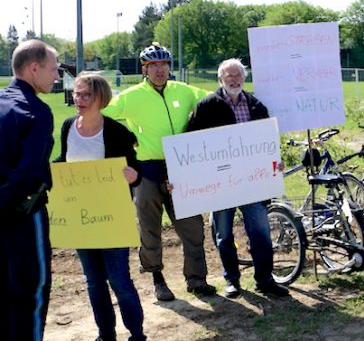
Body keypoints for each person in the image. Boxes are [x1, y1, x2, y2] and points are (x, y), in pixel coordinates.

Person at [102, 43, 213, 301]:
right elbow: (102, 113)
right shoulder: (131, 96)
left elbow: (213, 100)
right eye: (154, 66)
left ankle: (197, 279)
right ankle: (158, 279)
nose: (160, 70)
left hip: (181, 168)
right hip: (148, 169)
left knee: (193, 226)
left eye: (164, 65)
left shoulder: (183, 91)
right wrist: (125, 135)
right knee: (150, 228)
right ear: (145, 69)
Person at [186, 58, 289, 298]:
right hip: (221, 185)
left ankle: (265, 279)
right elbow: (190, 142)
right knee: (224, 234)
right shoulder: (207, 106)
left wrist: (275, 160)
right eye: (229, 76)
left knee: (261, 233)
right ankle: (232, 280)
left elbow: (268, 143)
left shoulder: (256, 106)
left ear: (244, 78)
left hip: (253, 183)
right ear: (220, 79)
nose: (234, 80)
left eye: (238, 75)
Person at [56, 74, 146, 341]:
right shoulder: (68, 126)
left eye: (85, 95)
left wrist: (134, 176)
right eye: (76, 94)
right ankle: (105, 334)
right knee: (94, 282)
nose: (78, 99)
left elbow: (135, 170)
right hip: (80, 219)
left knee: (119, 280)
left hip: (112, 218)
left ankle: (137, 335)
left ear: (100, 99)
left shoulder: (116, 132)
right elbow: (65, 159)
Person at [0, 40, 59, 341]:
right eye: (53, 69)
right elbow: (29, 173)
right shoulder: (35, 110)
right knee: (31, 290)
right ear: (34, 68)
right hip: (22, 215)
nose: (57, 76)